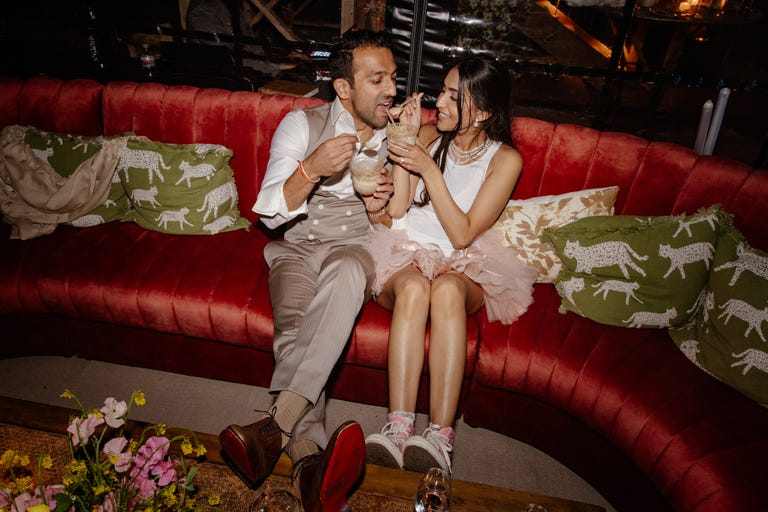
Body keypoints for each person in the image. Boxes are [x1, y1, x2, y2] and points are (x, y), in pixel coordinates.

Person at [218, 30, 396, 512]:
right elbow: (271, 214)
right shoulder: (301, 125)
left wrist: (385, 206)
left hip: (355, 248)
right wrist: (310, 170)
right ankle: (310, 469)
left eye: (393, 78)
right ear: (343, 88)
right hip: (296, 248)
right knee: (294, 334)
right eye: (377, 79)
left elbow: (408, 219)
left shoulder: (399, 136)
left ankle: (273, 428)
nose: (391, 90)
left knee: (347, 271)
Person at [364, 56, 538, 474]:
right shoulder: (427, 134)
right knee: (413, 288)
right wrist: (405, 143)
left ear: (481, 111)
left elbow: (463, 235)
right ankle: (399, 426)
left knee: (443, 289)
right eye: (441, 90)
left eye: (450, 96)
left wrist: (428, 168)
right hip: (407, 251)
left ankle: (441, 436)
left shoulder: (505, 160)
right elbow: (401, 205)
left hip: (466, 263)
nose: (438, 102)